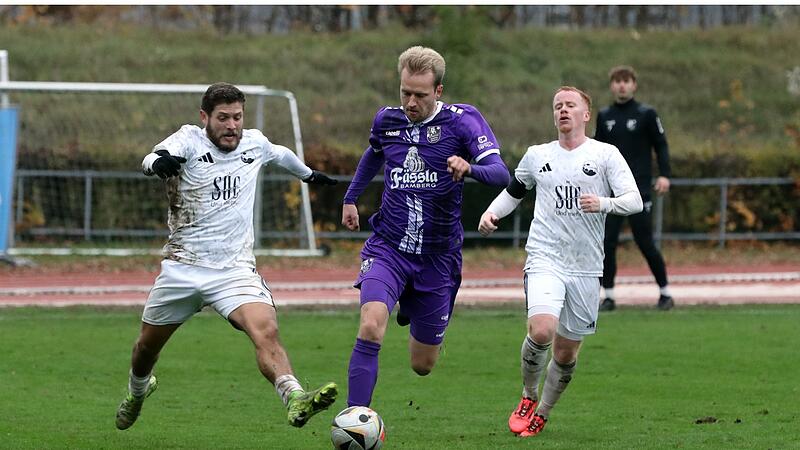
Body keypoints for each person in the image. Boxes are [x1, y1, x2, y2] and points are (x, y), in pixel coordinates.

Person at [115, 82, 339, 431]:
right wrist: (159, 163)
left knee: (266, 331)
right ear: (205, 117)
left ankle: (294, 396)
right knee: (146, 347)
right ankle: (137, 391)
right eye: (223, 118)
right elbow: (152, 157)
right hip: (182, 267)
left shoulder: (254, 142)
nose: (232, 125)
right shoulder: (188, 140)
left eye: (237, 117)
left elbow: (280, 154)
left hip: (233, 270)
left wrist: (308, 174)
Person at [341, 46, 510, 408]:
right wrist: (351, 197)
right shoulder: (387, 120)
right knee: (371, 325)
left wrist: (470, 169)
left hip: (438, 256)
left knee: (422, 365)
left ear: (439, 91)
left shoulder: (463, 121)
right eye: (405, 93)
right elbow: (375, 152)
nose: (410, 102)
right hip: (389, 247)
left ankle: (413, 301)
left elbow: (500, 173)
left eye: (419, 94)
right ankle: (355, 418)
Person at [478, 87, 642, 437]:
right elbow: (514, 192)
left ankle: (544, 412)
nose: (563, 110)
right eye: (557, 106)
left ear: (586, 114)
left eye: (570, 105)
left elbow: (634, 200)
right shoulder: (537, 155)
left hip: (585, 266)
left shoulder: (605, 154)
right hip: (544, 256)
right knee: (541, 330)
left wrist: (604, 203)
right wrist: (492, 213)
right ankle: (527, 396)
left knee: (566, 354)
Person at [594, 65, 674, 311]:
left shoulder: (646, 113)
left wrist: (664, 175)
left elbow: (661, 145)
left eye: (626, 81)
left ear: (634, 85)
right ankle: (608, 296)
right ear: (611, 86)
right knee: (607, 243)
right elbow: (596, 151)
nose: (621, 85)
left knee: (645, 242)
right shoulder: (604, 115)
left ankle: (665, 293)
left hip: (638, 190)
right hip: (610, 193)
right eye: (617, 81)